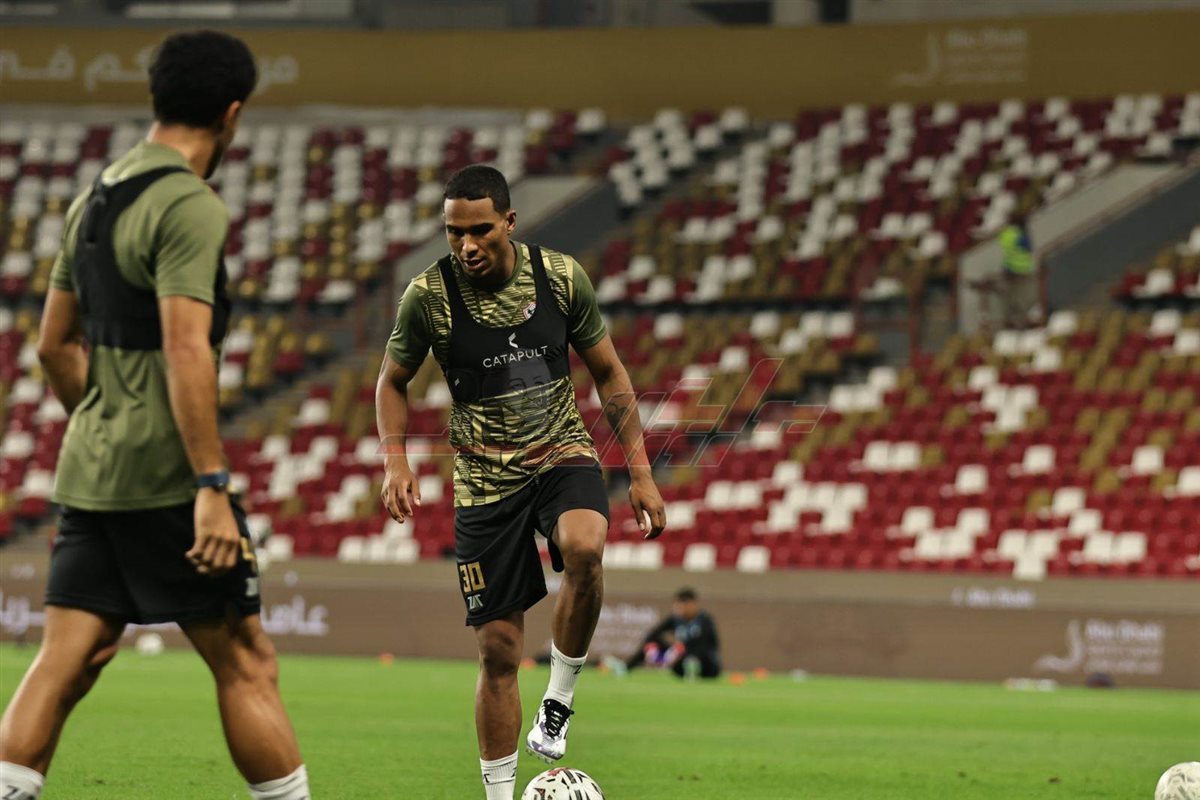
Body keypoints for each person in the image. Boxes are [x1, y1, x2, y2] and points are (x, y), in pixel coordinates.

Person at [0, 31, 310, 800]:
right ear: (232, 114)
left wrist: (104, 420)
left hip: (90, 467)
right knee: (246, 659)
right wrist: (209, 482)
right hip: (168, 474)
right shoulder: (188, 204)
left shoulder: (93, 198)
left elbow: (52, 346)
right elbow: (185, 348)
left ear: (157, 98)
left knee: (66, 658)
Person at [376, 165, 666, 800]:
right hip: (484, 480)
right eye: (454, 232)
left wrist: (640, 473)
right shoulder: (428, 296)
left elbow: (610, 374)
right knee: (499, 653)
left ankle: (557, 703)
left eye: (480, 230)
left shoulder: (560, 277)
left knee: (585, 547)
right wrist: (396, 461)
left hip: (561, 451)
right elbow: (391, 381)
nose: (467, 245)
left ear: (510, 222)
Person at [616, 588, 721, 679]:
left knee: (695, 654)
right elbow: (654, 633)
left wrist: (679, 650)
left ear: (691, 604)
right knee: (652, 642)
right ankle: (625, 668)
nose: (678, 609)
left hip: (706, 664)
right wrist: (657, 652)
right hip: (681, 660)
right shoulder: (675, 619)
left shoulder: (705, 620)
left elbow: (706, 644)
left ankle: (692, 666)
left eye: (681, 605)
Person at [997, 211, 1040, 329]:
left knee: (1012, 296)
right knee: (1023, 297)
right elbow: (1028, 247)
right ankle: (1022, 320)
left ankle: (1012, 319)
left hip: (1008, 268)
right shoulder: (1020, 235)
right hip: (1022, 269)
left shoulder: (1005, 233)